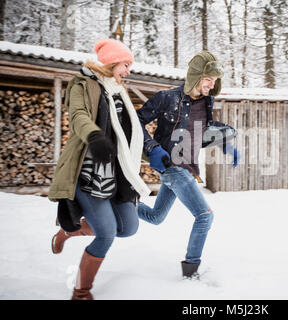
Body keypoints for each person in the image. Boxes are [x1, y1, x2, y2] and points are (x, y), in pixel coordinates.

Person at [48, 39, 150, 300]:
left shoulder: (119, 91)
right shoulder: (82, 84)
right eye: (125, 65)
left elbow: (131, 131)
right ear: (111, 62)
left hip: (117, 173)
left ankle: (69, 230)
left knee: (128, 227)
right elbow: (78, 116)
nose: (128, 71)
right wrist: (95, 136)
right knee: (106, 234)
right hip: (88, 172)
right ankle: (81, 291)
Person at [137, 51, 239, 279]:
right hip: (172, 166)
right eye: (207, 80)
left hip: (188, 168)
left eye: (215, 81)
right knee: (205, 216)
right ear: (195, 77)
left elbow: (201, 131)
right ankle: (190, 272)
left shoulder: (206, 102)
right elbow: (135, 121)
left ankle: (122, 203)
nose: (211, 85)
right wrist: (152, 148)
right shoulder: (167, 98)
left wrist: (225, 144)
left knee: (156, 217)